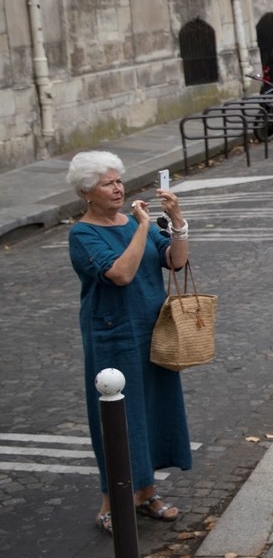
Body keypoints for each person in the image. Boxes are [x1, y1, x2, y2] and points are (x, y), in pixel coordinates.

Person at [68, 152, 194, 534]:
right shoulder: (83, 233)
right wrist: (142, 226)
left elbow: (175, 261)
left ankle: (148, 492)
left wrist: (176, 222)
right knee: (118, 420)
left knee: (154, 411)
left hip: (153, 330)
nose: (118, 188)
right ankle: (113, 501)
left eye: (119, 181)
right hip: (112, 335)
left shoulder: (131, 221)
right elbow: (120, 273)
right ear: (86, 193)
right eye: (108, 183)